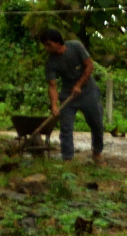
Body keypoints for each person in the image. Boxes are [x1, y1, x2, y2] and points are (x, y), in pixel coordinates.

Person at [40, 29, 105, 164]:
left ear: (58, 42)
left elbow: (89, 66)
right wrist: (54, 105)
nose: (47, 48)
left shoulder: (76, 47)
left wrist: (79, 84)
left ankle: (97, 153)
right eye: (45, 45)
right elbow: (52, 86)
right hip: (68, 94)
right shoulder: (50, 63)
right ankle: (67, 158)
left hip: (88, 91)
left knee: (97, 124)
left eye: (48, 44)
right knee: (66, 128)